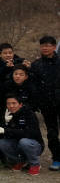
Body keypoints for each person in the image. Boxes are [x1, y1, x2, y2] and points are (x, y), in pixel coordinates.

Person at [30, 36, 60, 171]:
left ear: (54, 47)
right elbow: (34, 86)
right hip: (47, 104)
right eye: (43, 46)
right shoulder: (36, 65)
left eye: (48, 45)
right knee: (52, 133)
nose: (45, 48)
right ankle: (57, 158)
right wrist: (37, 102)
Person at [0, 94, 44, 175]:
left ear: (20, 104)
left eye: (14, 103)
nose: (11, 106)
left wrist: (7, 130)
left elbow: (30, 133)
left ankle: (35, 164)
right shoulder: (7, 114)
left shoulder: (29, 114)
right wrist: (5, 123)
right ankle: (20, 161)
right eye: (8, 103)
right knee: (1, 143)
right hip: (17, 144)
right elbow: (1, 133)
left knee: (24, 141)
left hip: (34, 144)